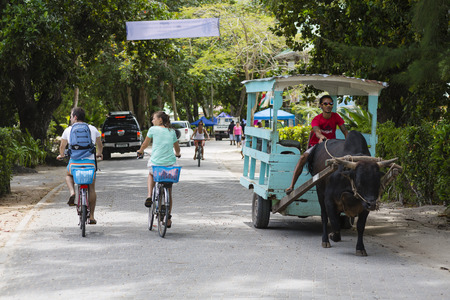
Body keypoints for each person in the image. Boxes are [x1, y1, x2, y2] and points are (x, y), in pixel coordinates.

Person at [285, 95, 348, 194]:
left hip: (332, 145)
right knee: (302, 158)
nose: (328, 105)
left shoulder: (336, 116)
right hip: (317, 144)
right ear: (321, 106)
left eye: (330, 103)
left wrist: (349, 141)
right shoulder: (316, 119)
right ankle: (291, 185)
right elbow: (317, 131)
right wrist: (321, 136)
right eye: (325, 104)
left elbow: (344, 130)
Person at [57, 107, 103, 225]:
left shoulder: (69, 130)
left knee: (68, 175)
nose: (71, 118)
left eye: (71, 116)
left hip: (74, 163)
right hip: (90, 163)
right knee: (91, 187)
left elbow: (62, 146)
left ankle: (72, 192)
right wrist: (99, 153)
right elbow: (100, 145)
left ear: (75, 117)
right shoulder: (92, 129)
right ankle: (91, 216)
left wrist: (61, 155)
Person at [137, 111, 181, 228]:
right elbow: (177, 148)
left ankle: (149, 195)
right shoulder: (172, 132)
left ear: (160, 120)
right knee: (169, 190)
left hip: (156, 164)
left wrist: (140, 151)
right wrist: (178, 153)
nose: (152, 121)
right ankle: (168, 217)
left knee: (151, 174)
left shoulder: (152, 130)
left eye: (154, 118)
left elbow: (145, 144)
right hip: (170, 165)